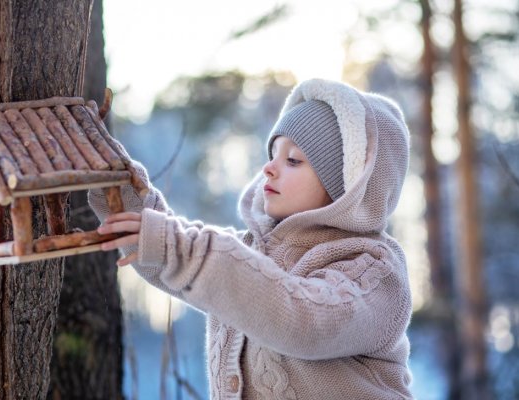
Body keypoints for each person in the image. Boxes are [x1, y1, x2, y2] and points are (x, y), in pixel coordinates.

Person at [88, 78, 413, 399]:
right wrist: (118, 188)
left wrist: (185, 248)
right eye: (273, 154)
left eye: (294, 160)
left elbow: (305, 322)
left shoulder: (374, 271)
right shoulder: (254, 250)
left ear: (346, 185)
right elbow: (173, 264)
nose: (269, 168)